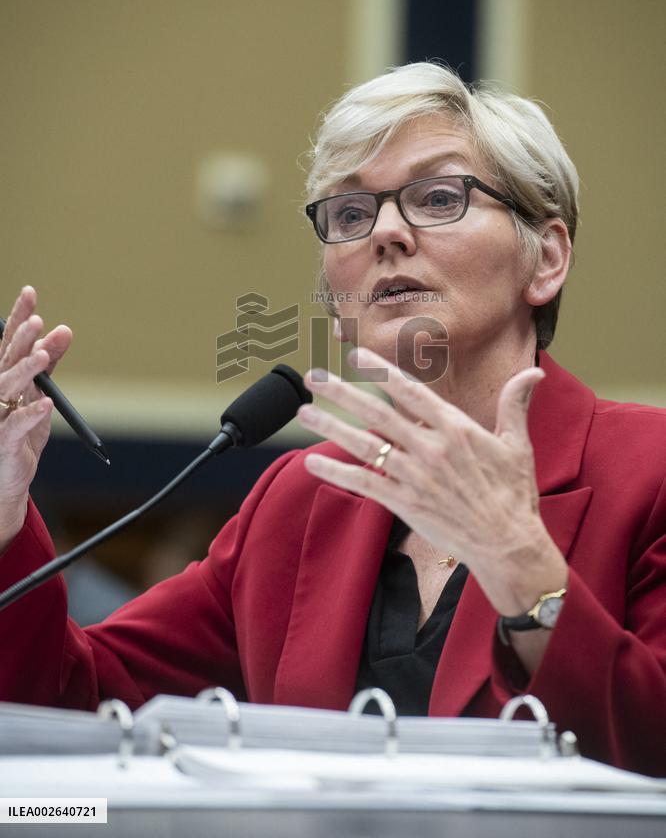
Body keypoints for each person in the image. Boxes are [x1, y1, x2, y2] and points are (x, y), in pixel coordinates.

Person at [0, 63, 664, 776]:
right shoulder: (299, 499)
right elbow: (73, 704)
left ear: (547, 258)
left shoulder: (647, 471)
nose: (385, 234)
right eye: (349, 215)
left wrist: (526, 573)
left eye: (438, 197)